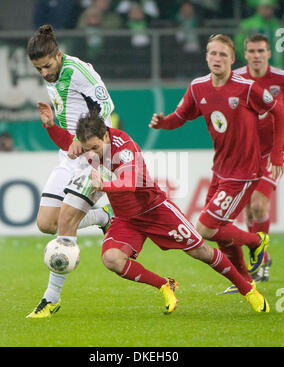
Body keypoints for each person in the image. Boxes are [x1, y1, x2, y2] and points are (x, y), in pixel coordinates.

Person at [27, 108, 271, 318]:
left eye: (94, 148)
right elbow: (68, 143)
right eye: (87, 149)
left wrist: (104, 184)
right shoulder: (91, 144)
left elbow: (130, 181)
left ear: (105, 135)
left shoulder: (124, 148)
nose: (91, 154)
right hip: (125, 218)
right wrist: (50, 126)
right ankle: (164, 285)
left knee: (202, 252)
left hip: (154, 210)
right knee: (111, 259)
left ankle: (247, 289)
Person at [149, 34, 284, 293]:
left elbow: (278, 110)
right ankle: (246, 281)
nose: (218, 58)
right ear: (206, 56)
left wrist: (277, 154)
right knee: (220, 231)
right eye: (213, 53)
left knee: (205, 229)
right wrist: (163, 123)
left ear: (233, 59)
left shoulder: (246, 88)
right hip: (220, 170)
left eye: (223, 54)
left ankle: (257, 241)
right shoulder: (198, 87)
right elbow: (181, 116)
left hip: (245, 171)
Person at [26, 24, 115, 317]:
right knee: (45, 223)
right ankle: (102, 216)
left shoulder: (78, 71)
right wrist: (53, 123)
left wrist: (84, 137)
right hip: (68, 157)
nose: (44, 73)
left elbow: (106, 106)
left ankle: (51, 298)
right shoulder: (51, 75)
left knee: (64, 224)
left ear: (58, 54)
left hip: (92, 155)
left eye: (47, 66)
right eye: (38, 68)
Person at [234, 33, 284, 283]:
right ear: (246, 53)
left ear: (268, 53)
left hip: (273, 153)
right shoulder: (237, 78)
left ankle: (260, 256)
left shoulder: (281, 79)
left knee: (258, 204)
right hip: (244, 155)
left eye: (260, 51)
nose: (256, 55)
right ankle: (260, 252)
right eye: (252, 51)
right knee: (250, 211)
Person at [234, 0, 283, 68]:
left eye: (271, 8)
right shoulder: (247, 25)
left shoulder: (278, 25)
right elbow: (239, 45)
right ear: (259, 8)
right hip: (255, 68)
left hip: (277, 68)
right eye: (266, 8)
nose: (269, 11)